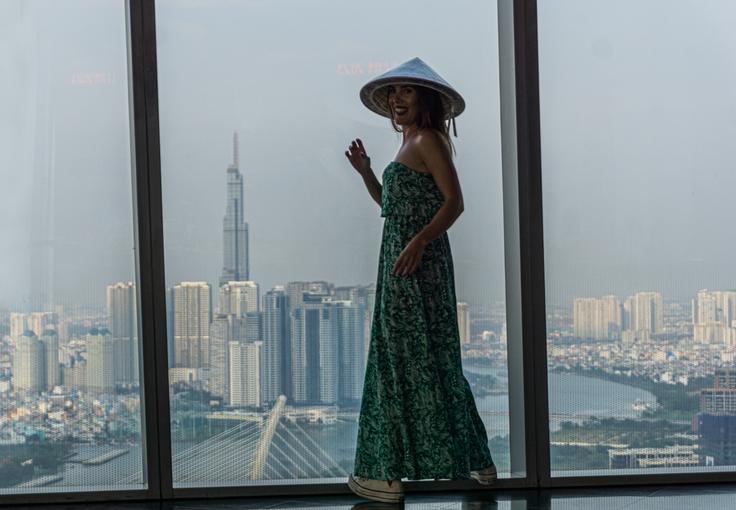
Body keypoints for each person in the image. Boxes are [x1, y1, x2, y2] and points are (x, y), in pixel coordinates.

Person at [344, 57, 497, 504]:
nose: (396, 100)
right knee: (429, 360)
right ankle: (479, 463)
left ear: (426, 100)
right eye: (393, 93)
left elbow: (454, 203)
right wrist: (367, 173)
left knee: (397, 362)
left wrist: (419, 243)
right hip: (405, 262)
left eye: (406, 92)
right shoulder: (409, 142)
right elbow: (391, 205)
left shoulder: (429, 139)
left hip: (414, 264)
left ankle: (385, 475)